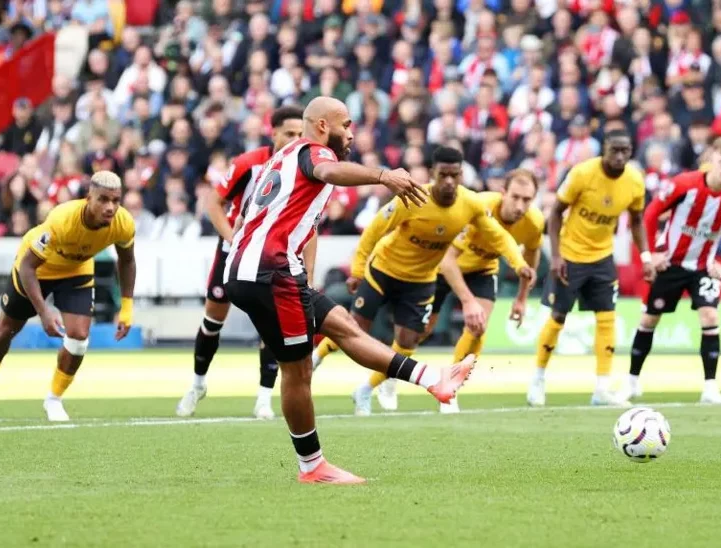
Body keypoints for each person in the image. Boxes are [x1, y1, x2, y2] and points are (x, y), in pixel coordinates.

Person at [224, 97, 475, 484]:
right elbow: (326, 169)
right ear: (323, 125)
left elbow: (266, 217)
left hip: (258, 266)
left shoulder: (283, 156)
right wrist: (382, 176)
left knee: (342, 324)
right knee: (298, 370)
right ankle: (312, 467)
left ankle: (432, 379)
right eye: (347, 125)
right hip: (269, 270)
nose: (352, 133)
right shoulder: (313, 150)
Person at [312, 147, 535, 416]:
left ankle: (387, 384)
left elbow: (499, 237)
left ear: (461, 175)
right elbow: (374, 231)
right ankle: (316, 357)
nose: (449, 181)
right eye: (444, 175)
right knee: (355, 328)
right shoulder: (412, 197)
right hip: (385, 269)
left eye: (455, 175)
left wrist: (520, 264)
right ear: (433, 174)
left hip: (421, 280)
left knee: (408, 341)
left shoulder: (471, 204)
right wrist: (358, 270)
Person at [0, 172, 136, 422]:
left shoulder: (124, 223)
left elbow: (127, 261)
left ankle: (54, 400)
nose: (110, 207)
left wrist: (126, 308)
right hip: (36, 269)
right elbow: (27, 267)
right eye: (103, 200)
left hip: (76, 271)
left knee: (79, 337)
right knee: (5, 331)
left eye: (115, 200)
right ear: (88, 198)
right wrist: (44, 313)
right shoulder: (62, 219)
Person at [176, 106, 304, 420]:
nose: (296, 140)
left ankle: (263, 399)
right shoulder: (249, 164)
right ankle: (198, 384)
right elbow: (213, 202)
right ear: (272, 133)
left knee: (271, 326)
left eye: (301, 134)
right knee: (213, 319)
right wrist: (233, 240)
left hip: (271, 254)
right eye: (290, 133)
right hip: (235, 250)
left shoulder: (304, 166)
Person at [620, 136, 721, 404]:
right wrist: (652, 255)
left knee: (709, 317)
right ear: (711, 159)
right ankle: (632, 381)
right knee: (649, 319)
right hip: (670, 263)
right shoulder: (683, 185)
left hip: (703, 267)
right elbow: (650, 214)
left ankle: (710, 388)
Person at [528, 130, 656, 407]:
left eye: (626, 150)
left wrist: (645, 256)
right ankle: (538, 378)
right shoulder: (583, 173)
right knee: (558, 316)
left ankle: (602, 387)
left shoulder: (634, 180)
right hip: (571, 256)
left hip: (602, 257)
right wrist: (558, 256)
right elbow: (555, 213)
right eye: (615, 150)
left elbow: (636, 220)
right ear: (604, 150)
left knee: (607, 317)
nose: (620, 156)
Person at [422, 168, 544, 413]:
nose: (520, 206)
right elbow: (449, 257)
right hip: (446, 265)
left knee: (478, 327)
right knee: (420, 332)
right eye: (516, 197)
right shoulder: (480, 206)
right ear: (503, 193)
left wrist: (521, 299)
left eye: (527, 200)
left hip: (483, 269)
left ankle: (449, 388)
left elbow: (530, 260)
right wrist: (468, 301)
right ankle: (387, 377)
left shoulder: (534, 223)